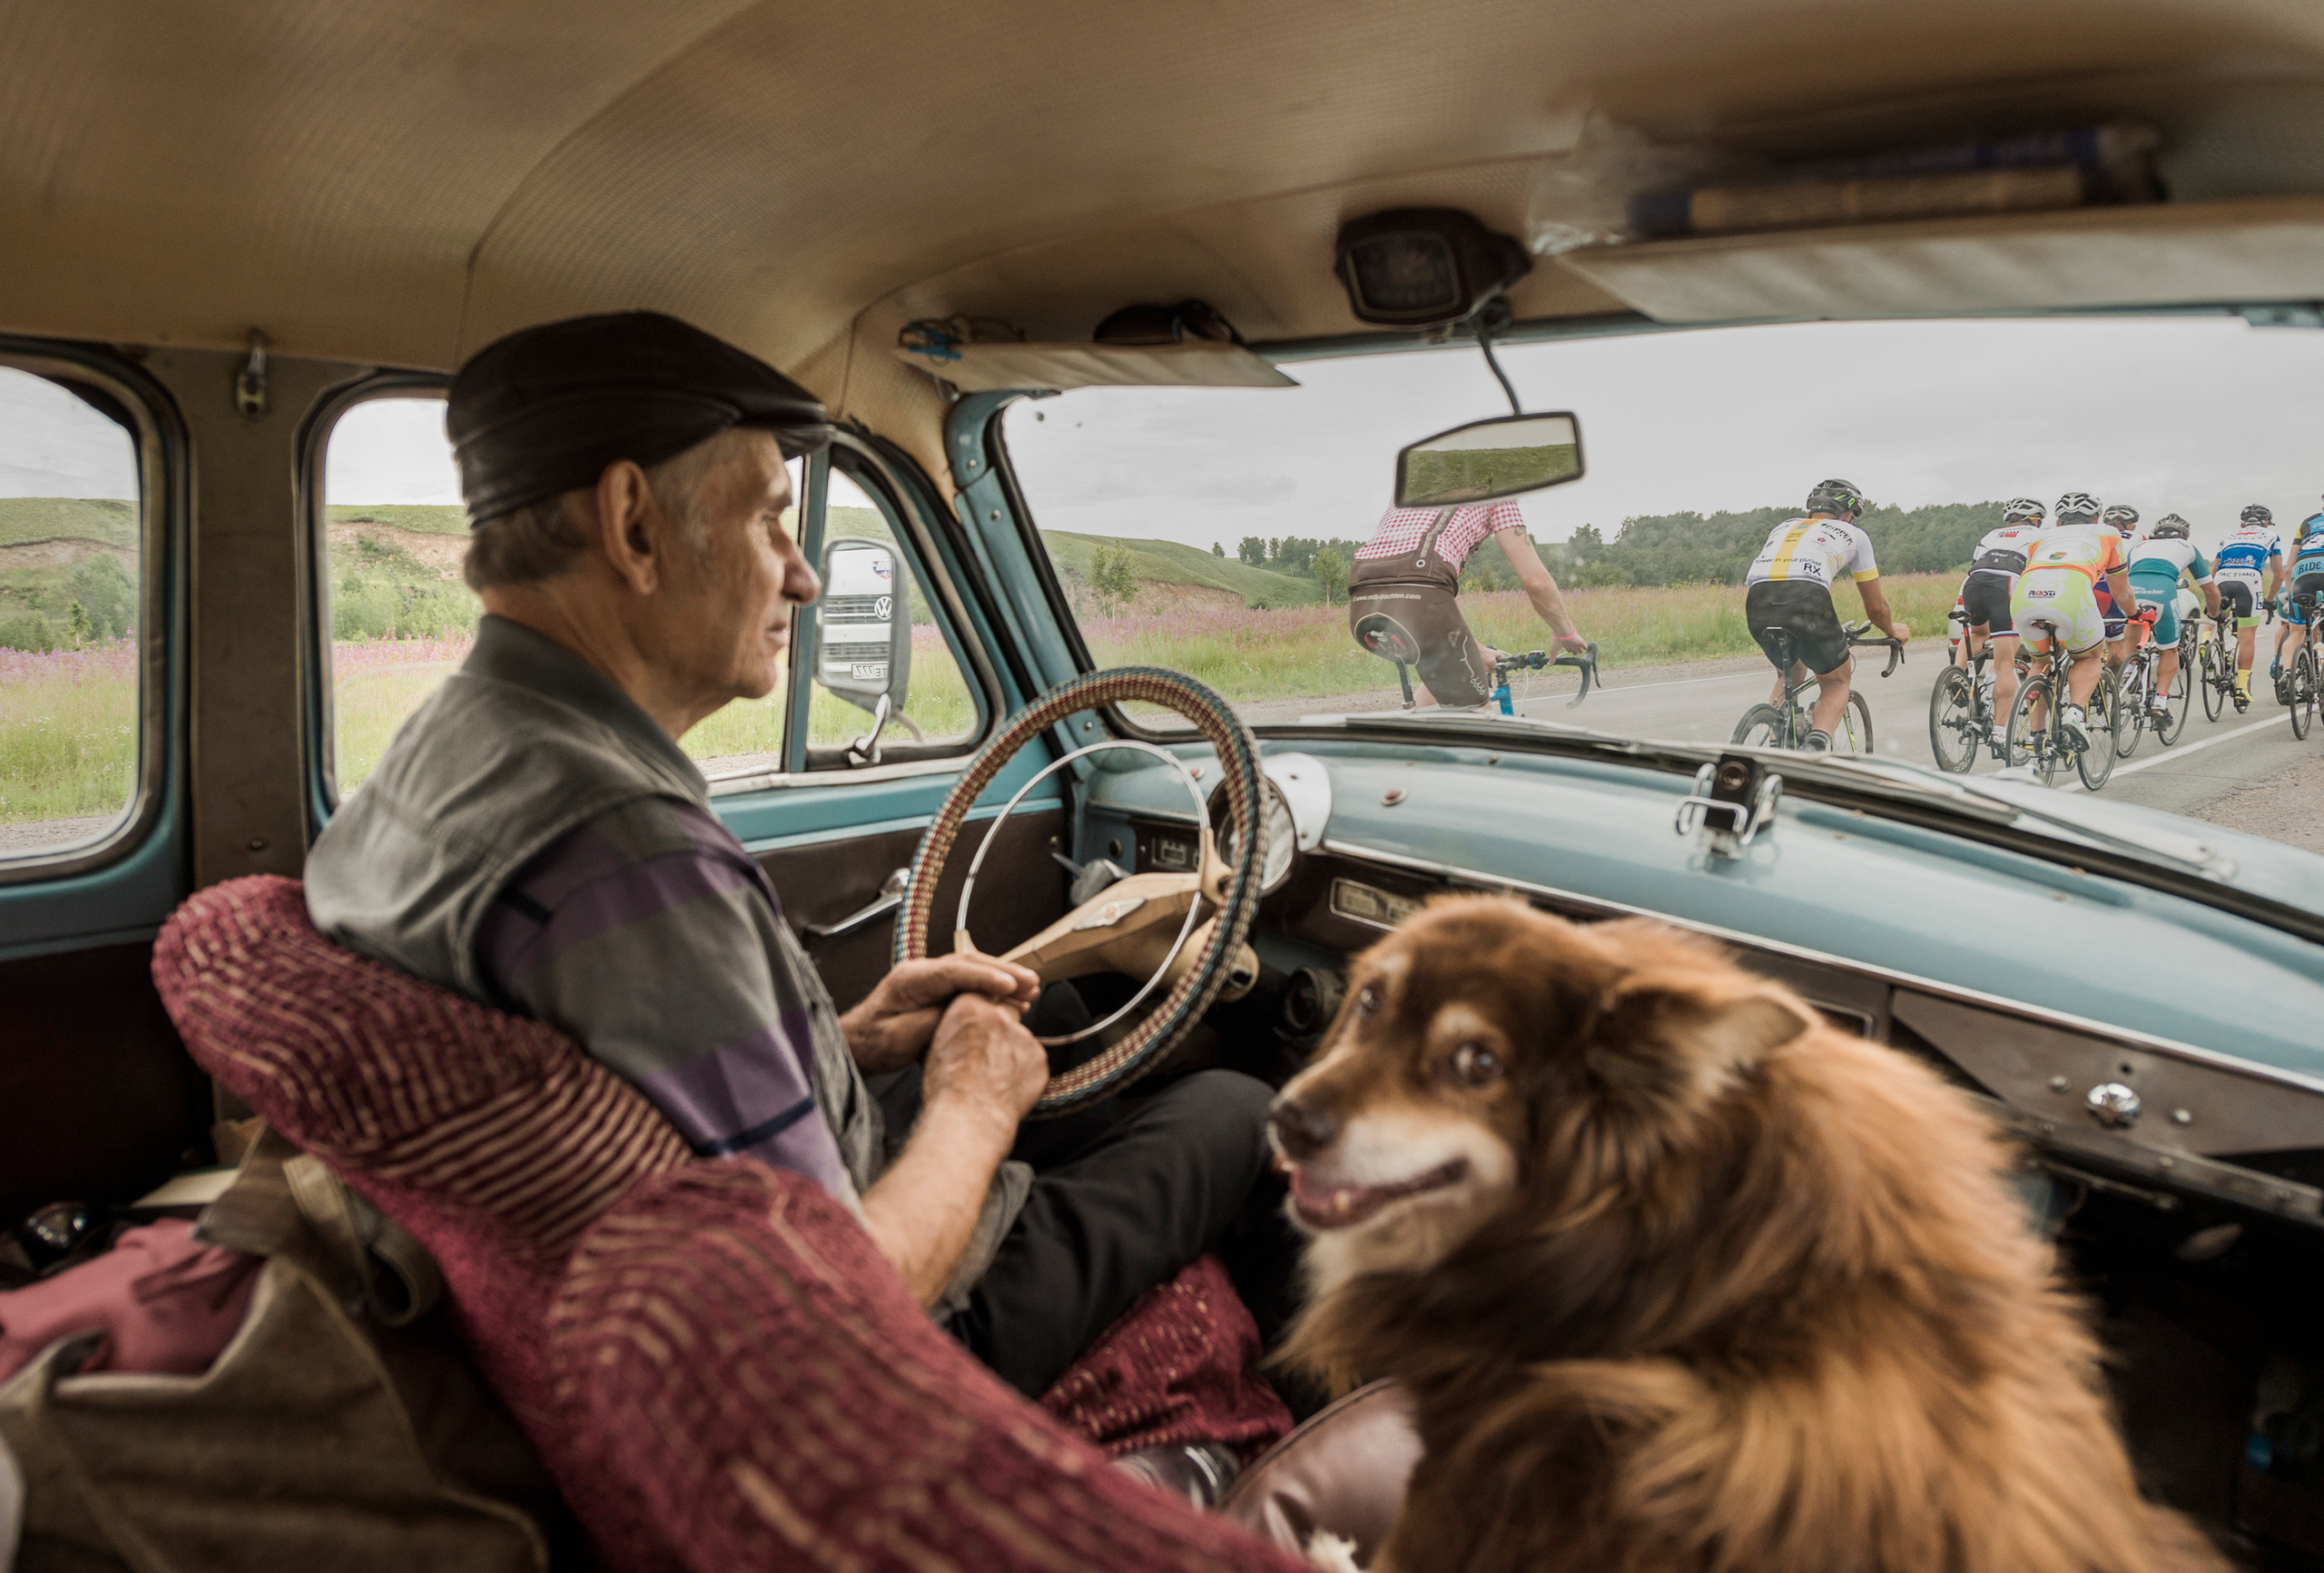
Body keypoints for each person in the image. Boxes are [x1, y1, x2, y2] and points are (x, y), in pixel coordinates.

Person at [303, 312, 1275, 1407]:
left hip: (668, 1260)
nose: (805, 577)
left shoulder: (450, 749)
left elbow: (658, 1085)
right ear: (632, 523)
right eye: (770, 516)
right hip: (891, 1344)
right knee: (1234, 1107)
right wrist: (970, 1108)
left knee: (1045, 1023)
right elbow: (834, 1311)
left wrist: (853, 1038)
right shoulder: (626, 852)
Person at [1345, 497, 1587, 707]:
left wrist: (1477, 650)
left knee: (1442, 682)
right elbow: (1536, 582)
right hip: (1421, 589)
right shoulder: (1494, 492)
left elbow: (1435, 616)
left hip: (1362, 601)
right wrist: (1566, 634)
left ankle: (1401, 749)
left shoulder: (1417, 482)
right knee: (1478, 732)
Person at [1741, 477, 1911, 752]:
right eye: (1853, 516)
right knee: (1836, 681)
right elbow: (1876, 607)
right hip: (1807, 597)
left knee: (1789, 674)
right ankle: (1815, 748)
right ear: (1847, 515)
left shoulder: (1783, 526)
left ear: (1810, 511)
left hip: (1757, 600)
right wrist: (1892, 630)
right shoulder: (1854, 535)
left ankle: (1775, 745)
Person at [2010, 506, 2135, 750]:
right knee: (2089, 658)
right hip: (2070, 592)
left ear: (2058, 521)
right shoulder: (2108, 533)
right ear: (2097, 518)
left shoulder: (2040, 535)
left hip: (2025, 596)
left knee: (2040, 663)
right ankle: (2075, 713)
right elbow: (2120, 591)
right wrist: (2135, 613)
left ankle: (2036, 735)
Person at [1954, 497, 2046, 750]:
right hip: (2006, 584)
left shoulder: (1992, 534)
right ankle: (1999, 731)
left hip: (1974, 582)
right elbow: (2040, 574)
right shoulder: (2040, 535)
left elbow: (1976, 563)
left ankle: (1957, 675)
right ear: (2037, 519)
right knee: (2004, 663)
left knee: (1978, 632)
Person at [2125, 515, 2219, 720]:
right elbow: (2210, 591)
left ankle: (2129, 668)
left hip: (2131, 592)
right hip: (2163, 594)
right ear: (2184, 535)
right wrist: (2213, 614)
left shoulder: (2139, 547)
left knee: (2133, 618)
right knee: (2168, 650)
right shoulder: (2188, 548)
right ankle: (2160, 702)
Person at [2212, 504, 2285, 711]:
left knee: (2215, 616)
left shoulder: (2229, 536)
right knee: (2247, 635)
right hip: (2249, 581)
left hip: (2221, 579)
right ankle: (2242, 687)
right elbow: (2279, 574)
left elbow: (2214, 569)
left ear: (2242, 523)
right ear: (2266, 523)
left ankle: (2206, 644)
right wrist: (2269, 600)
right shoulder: (2271, 535)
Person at [2277, 508, 2324, 693]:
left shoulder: (2307, 522)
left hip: (2302, 570)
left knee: (2296, 632)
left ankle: (2289, 674)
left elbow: (2288, 569)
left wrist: (2291, 596)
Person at [2097, 502, 2143, 668]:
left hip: (2085, 586)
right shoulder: (2138, 538)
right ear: (2129, 524)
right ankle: (2112, 691)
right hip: (2111, 589)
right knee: (2116, 643)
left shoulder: (2095, 535)